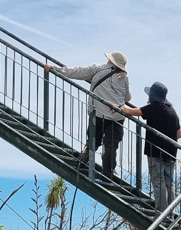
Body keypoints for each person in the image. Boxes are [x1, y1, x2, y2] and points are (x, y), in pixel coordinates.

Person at [45, 52, 131, 180]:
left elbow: (77, 71)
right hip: (118, 115)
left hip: (99, 113)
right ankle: (108, 175)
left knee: (93, 139)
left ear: (110, 60)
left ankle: (83, 160)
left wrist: (54, 68)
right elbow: (127, 98)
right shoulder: (124, 77)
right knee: (111, 145)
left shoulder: (98, 69)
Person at [121, 81, 181, 211]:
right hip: (171, 152)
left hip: (156, 150)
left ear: (152, 96)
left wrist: (120, 105)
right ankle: (170, 213)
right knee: (169, 183)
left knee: (158, 182)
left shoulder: (154, 108)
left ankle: (161, 212)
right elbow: (179, 134)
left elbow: (130, 111)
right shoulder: (172, 111)